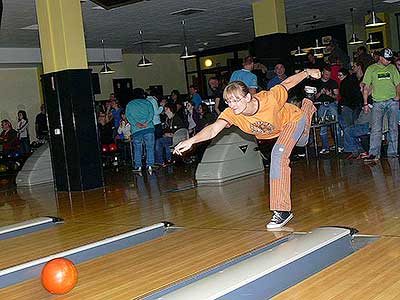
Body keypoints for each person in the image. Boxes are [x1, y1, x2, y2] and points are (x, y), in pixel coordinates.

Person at [174, 69, 321, 229]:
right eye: (229, 101)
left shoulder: (269, 99)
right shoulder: (232, 113)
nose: (232, 105)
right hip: (275, 131)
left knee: (278, 154)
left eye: (236, 100)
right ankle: (308, 105)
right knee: (303, 141)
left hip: (292, 121)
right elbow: (214, 128)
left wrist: (307, 72)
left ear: (248, 97)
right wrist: (192, 141)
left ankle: (282, 210)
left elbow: (287, 83)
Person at [362, 48, 400, 161]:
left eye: (390, 59)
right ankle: (374, 153)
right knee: (376, 128)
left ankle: (393, 152)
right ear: (381, 57)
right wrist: (365, 103)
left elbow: (398, 84)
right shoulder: (371, 69)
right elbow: (366, 87)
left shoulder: (392, 68)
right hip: (377, 102)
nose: (389, 61)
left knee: (393, 127)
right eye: (387, 59)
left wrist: (398, 96)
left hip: (392, 101)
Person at [126, 88, 155, 174]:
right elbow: (151, 113)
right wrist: (146, 123)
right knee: (149, 147)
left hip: (136, 130)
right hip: (148, 128)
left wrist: (136, 124)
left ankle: (138, 166)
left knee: (137, 148)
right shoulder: (147, 103)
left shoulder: (129, 105)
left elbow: (129, 117)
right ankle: (150, 165)